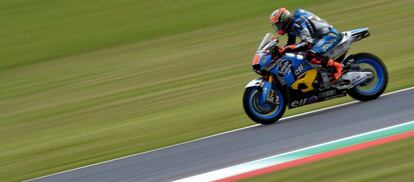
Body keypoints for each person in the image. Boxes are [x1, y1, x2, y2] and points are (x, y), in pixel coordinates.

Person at [270, 7, 343, 81]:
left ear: (284, 20)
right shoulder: (291, 25)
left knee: (310, 54)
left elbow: (307, 43)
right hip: (318, 38)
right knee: (299, 54)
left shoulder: (298, 22)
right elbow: (290, 43)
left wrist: (288, 49)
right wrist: (280, 51)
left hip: (329, 36)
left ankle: (338, 67)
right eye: (276, 26)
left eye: (278, 25)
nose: (278, 28)